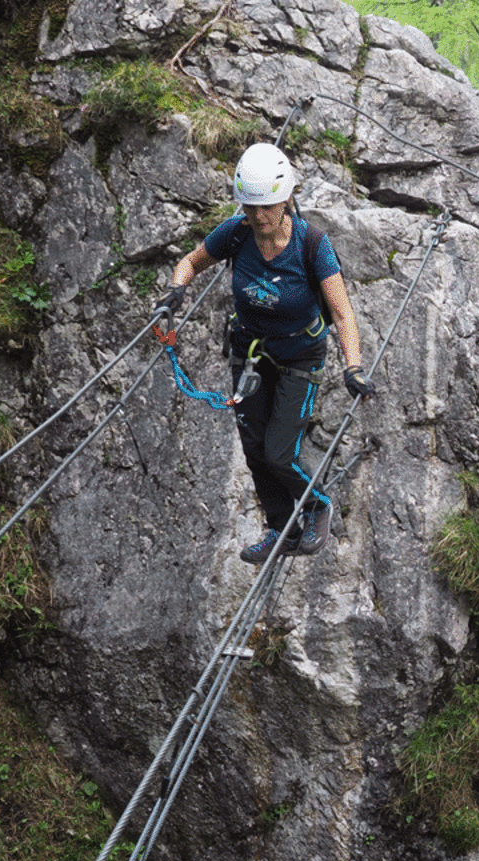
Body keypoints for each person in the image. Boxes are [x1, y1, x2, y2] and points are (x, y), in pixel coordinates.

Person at [158, 143, 375, 563]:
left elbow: (342, 311)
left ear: (286, 198)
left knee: (279, 451)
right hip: (250, 353)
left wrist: (353, 366)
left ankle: (316, 506)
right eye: (250, 206)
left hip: (299, 357)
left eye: (268, 206)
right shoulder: (236, 232)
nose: (258, 216)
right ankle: (280, 528)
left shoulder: (312, 245)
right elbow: (191, 261)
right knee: (255, 449)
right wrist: (175, 292)